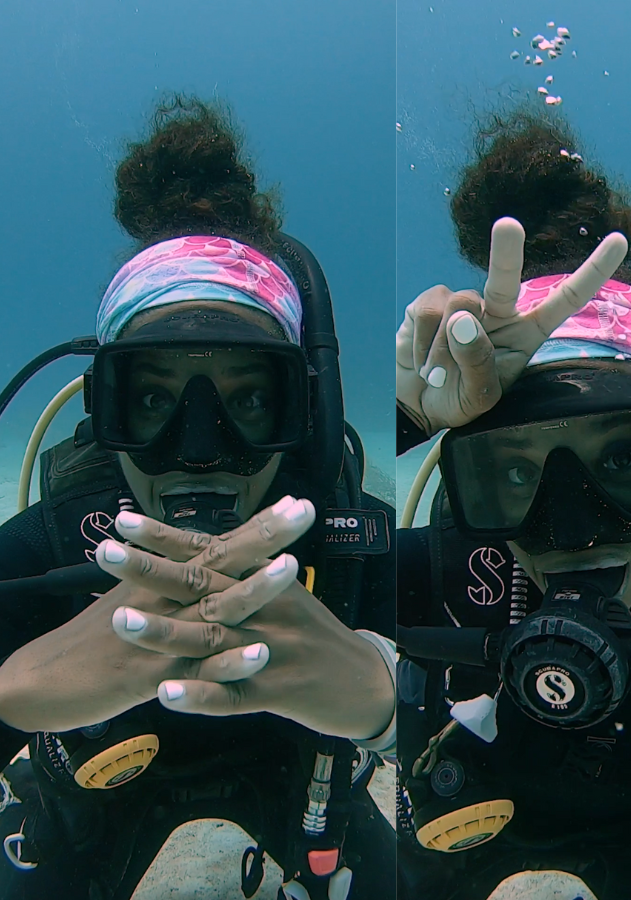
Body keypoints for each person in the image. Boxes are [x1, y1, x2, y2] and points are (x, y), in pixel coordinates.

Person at [0, 97, 397, 900]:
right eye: (152, 403)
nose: (200, 448)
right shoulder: (54, 544)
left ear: (300, 413)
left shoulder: (346, 540)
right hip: (81, 808)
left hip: (310, 806)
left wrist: (387, 707)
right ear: (102, 412)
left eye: (250, 403)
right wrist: (11, 696)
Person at [391, 110, 631, 900]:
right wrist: (406, 421)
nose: (573, 529)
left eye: (621, 460)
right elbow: (283, 578)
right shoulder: (454, 562)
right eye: (512, 474)